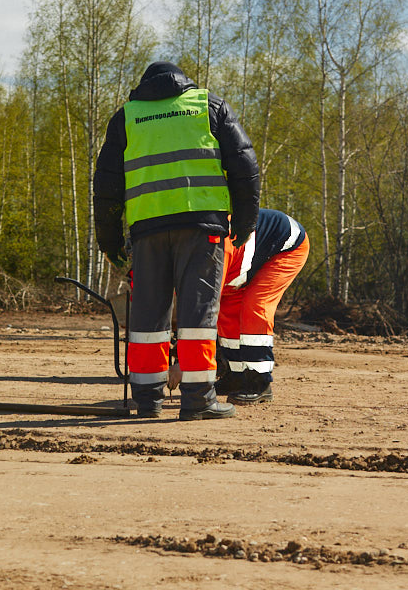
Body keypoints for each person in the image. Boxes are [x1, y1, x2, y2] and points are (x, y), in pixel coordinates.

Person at [94, 61, 260, 420]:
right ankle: (198, 400)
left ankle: (147, 401)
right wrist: (246, 223)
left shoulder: (127, 117)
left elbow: (106, 186)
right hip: (203, 228)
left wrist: (109, 242)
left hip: (147, 230)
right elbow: (245, 168)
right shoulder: (209, 107)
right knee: (198, 312)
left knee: (148, 316)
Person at [216, 208, 309, 404]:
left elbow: (203, 309)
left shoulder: (218, 251)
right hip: (244, 259)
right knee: (227, 307)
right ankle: (236, 376)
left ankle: (259, 382)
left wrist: (183, 361)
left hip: (287, 246)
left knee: (256, 305)